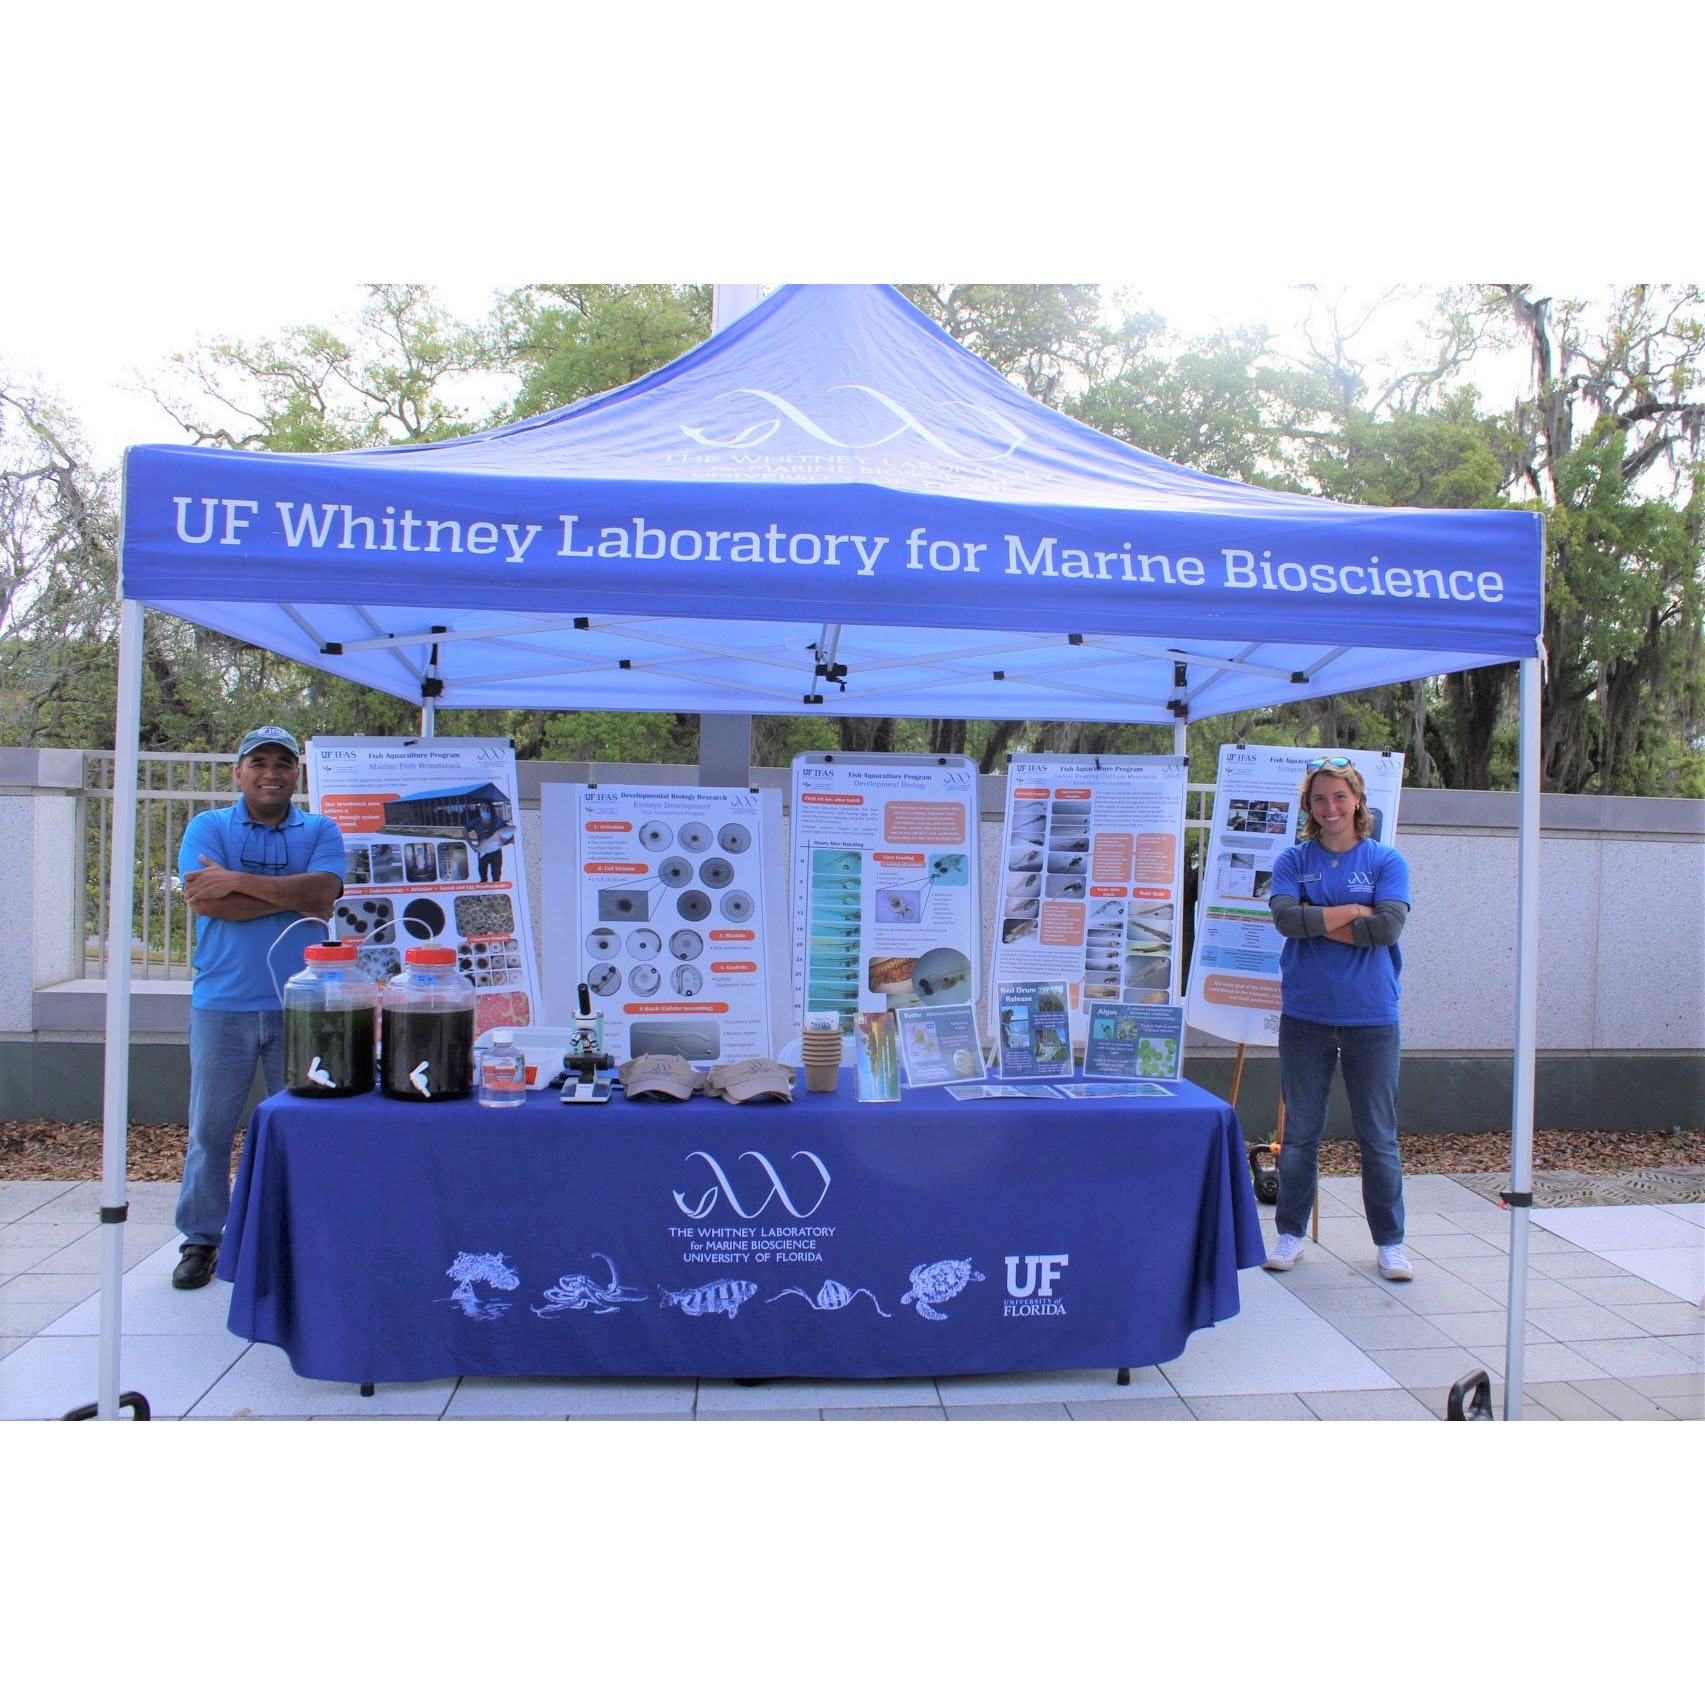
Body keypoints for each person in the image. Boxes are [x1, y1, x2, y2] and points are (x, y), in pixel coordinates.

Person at [171, 727, 345, 1290]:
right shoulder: (209, 827)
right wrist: (281, 892)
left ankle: (299, 1237)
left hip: (305, 1004)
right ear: (238, 772)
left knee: (303, 1126)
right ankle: (202, 1239)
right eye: (259, 762)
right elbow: (204, 900)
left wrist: (237, 884)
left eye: (284, 763)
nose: (272, 772)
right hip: (223, 1003)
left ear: (298, 773)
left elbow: (322, 896)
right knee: (210, 1130)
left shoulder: (320, 828)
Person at [1262, 755, 1414, 1282]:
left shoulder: (1386, 860)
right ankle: (1289, 1234)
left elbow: (1388, 929)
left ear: (1357, 802)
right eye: (1320, 799)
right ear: (1309, 805)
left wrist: (1315, 919)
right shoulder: (1292, 860)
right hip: (1305, 1015)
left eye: (1339, 797)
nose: (1331, 808)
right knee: (1300, 1133)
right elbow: (1284, 920)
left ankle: (1391, 1243)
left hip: (1372, 1017)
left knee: (1378, 1136)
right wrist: (1353, 911)